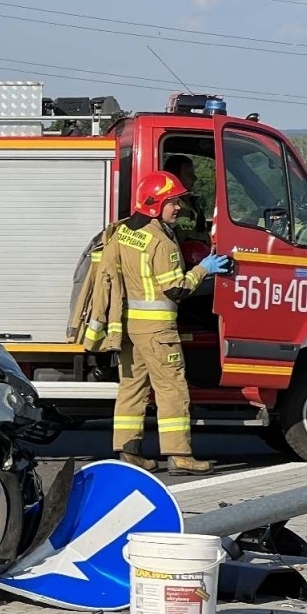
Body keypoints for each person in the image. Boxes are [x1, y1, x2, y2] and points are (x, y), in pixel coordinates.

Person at [107, 170, 230, 474]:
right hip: (157, 330)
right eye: (172, 202)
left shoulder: (123, 231)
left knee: (131, 389)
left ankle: (130, 452)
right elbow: (176, 289)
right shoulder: (161, 241)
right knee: (172, 389)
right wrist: (204, 268)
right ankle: (180, 455)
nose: (178, 208)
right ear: (155, 204)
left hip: (128, 326)